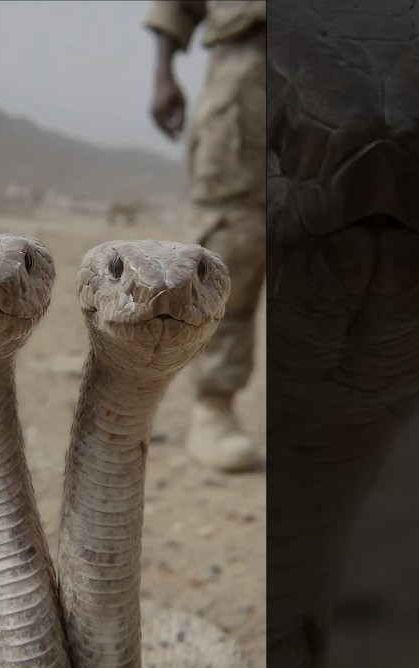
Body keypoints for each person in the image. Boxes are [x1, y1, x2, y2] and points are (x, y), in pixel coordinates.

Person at [144, 0, 266, 472]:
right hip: (245, 73)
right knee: (232, 239)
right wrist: (163, 74)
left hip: (350, 62)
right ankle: (214, 408)